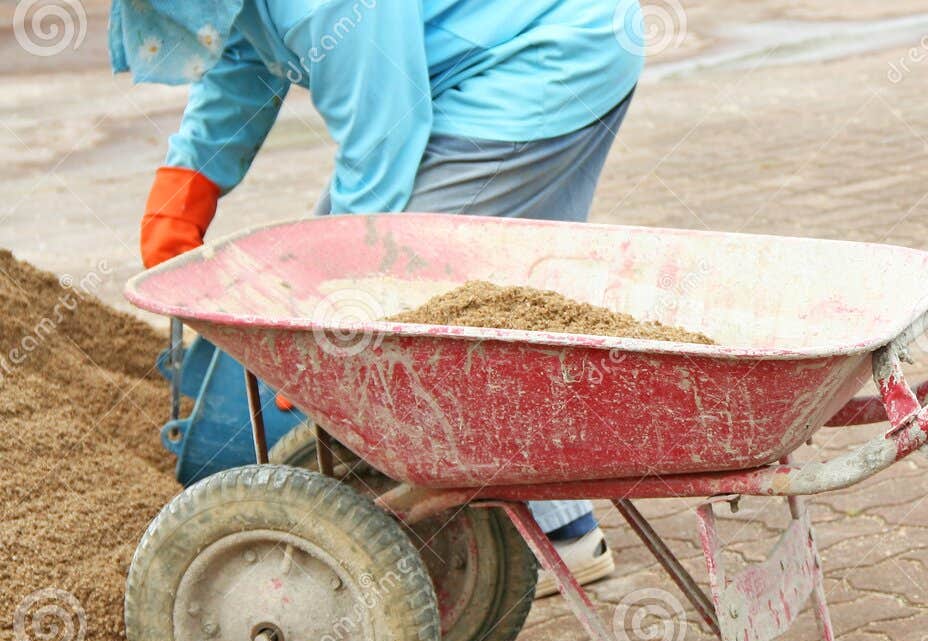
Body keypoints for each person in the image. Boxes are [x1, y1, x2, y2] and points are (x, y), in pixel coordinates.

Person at [112, 0, 643, 594]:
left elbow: (381, 141)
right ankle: (559, 526)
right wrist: (189, 181)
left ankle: (547, 540)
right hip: (479, 61)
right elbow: (246, 55)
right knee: (372, 287)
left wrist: (329, 316)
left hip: (536, 59)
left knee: (415, 303)